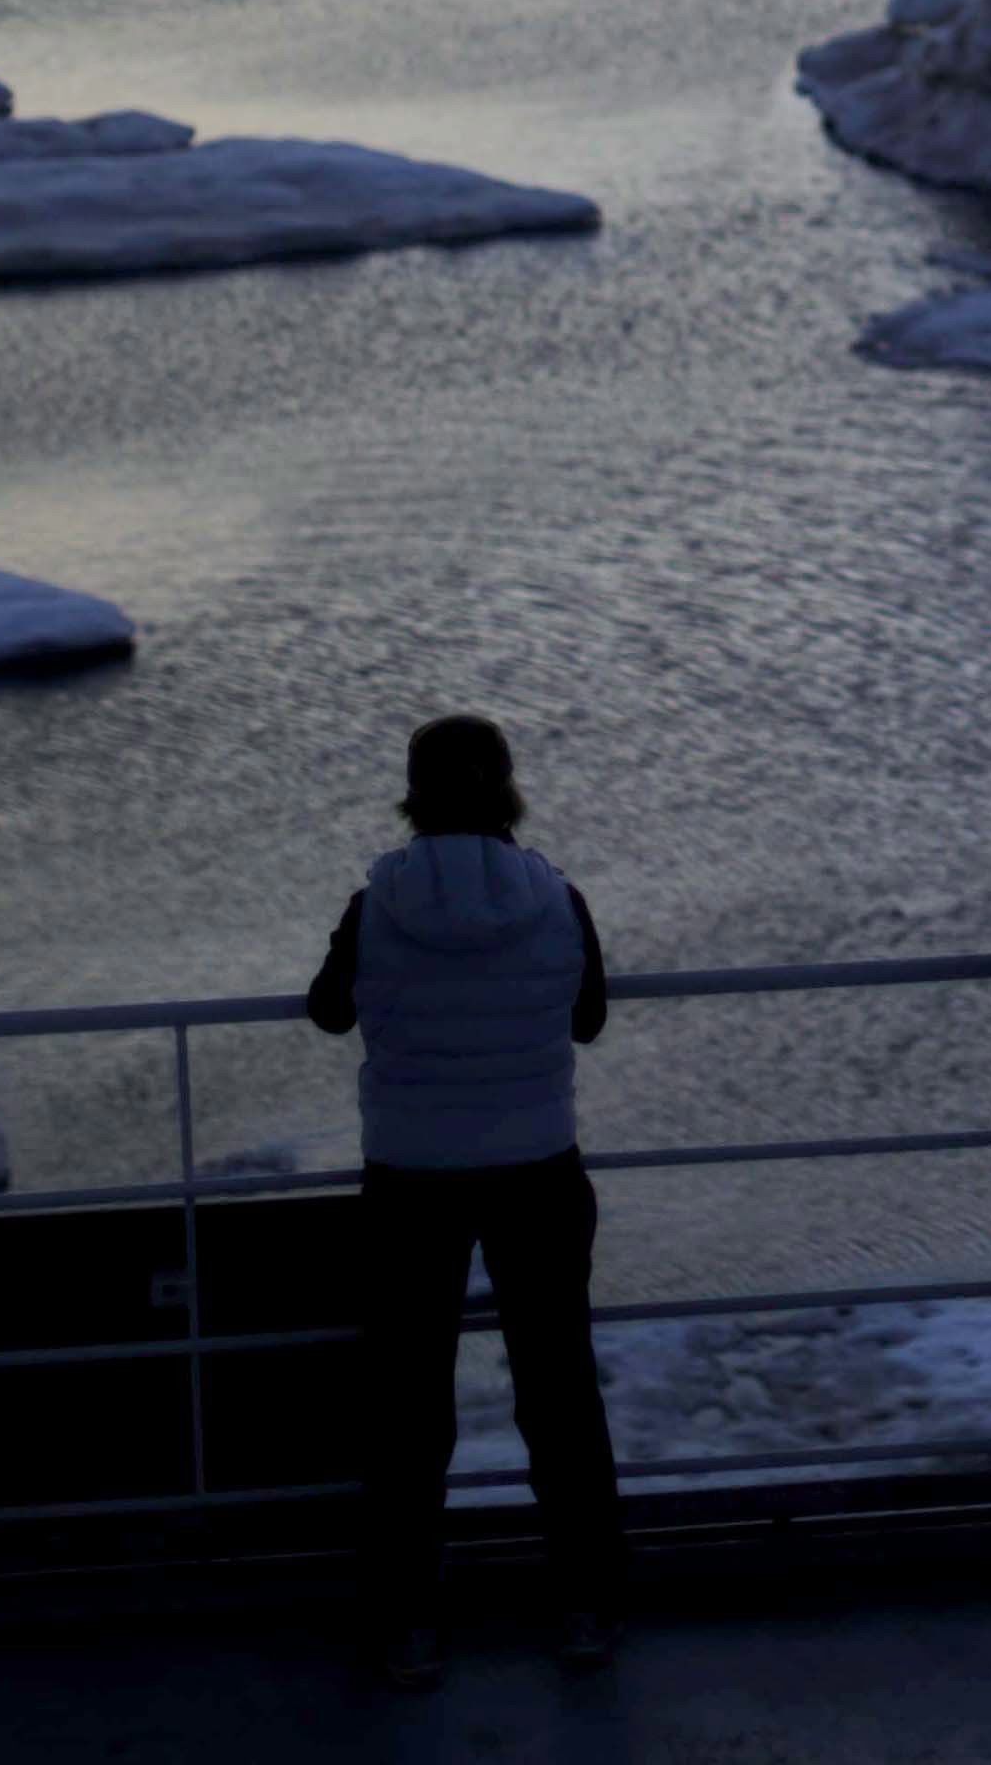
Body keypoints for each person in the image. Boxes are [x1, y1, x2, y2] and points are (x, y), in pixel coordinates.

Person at [309, 712, 624, 1686]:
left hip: (410, 1177)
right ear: (508, 792)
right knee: (559, 1388)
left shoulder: (376, 901)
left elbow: (329, 1008)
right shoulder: (556, 897)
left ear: (412, 793)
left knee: (408, 1401)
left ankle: (409, 1621)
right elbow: (591, 1018)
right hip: (536, 1164)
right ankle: (585, 1606)